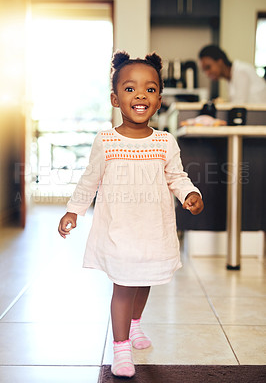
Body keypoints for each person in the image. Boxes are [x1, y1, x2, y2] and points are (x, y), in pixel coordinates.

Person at [58, 50, 204, 378]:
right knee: (124, 285)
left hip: (154, 230)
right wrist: (73, 211)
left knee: (145, 281)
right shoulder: (106, 141)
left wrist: (190, 193)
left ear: (160, 100)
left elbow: (176, 177)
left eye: (150, 89)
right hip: (119, 229)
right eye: (130, 88)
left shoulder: (165, 142)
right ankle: (120, 346)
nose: (140, 94)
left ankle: (135, 325)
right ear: (114, 98)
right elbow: (90, 179)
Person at [199, 45, 266, 104]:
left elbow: (239, 104)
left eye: (208, 67)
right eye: (204, 70)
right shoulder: (230, 76)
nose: (207, 73)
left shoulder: (241, 71)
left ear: (220, 61)